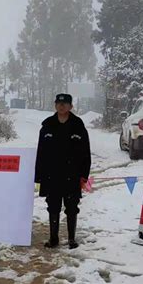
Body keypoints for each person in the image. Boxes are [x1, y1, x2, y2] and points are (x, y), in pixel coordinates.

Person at [35, 93, 91, 249]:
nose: (61, 106)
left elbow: (86, 152)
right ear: (55, 105)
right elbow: (41, 152)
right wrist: (38, 174)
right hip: (51, 175)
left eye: (65, 103)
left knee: (72, 207)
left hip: (72, 175)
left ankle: (72, 239)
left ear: (71, 106)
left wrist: (84, 175)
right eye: (59, 103)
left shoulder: (78, 126)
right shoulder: (47, 126)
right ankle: (53, 238)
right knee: (53, 206)